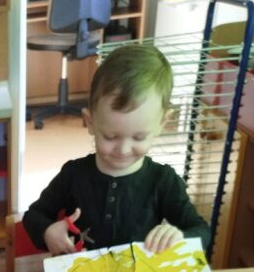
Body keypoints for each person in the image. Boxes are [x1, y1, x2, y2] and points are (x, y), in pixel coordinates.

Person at [23, 43, 211, 256]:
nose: (123, 150)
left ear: (162, 123)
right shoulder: (73, 174)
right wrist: (48, 231)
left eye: (139, 137)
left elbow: (201, 231)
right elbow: (34, 216)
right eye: (111, 136)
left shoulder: (163, 181)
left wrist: (180, 238)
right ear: (90, 122)